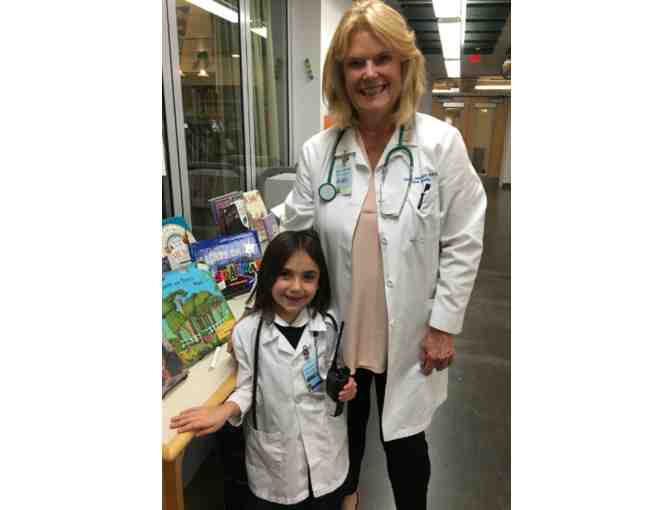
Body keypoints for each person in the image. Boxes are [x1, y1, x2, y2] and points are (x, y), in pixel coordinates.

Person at [282, 1, 487, 509]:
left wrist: (444, 325)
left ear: (404, 65)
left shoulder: (440, 144)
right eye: (355, 63)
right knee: (339, 451)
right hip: (338, 332)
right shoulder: (319, 151)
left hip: (410, 334)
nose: (369, 73)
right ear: (340, 74)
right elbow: (294, 238)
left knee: (407, 451)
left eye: (382, 59)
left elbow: (463, 237)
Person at [170, 230, 358, 510]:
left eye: (308, 276)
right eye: (285, 274)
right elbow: (248, 387)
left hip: (326, 452)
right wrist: (225, 410)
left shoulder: (328, 325)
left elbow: (337, 370)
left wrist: (347, 388)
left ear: (320, 282)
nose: (296, 287)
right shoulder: (247, 332)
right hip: (277, 464)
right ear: (268, 276)